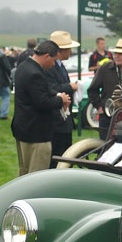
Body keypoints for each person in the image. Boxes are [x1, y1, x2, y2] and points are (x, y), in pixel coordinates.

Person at [12, 40, 71, 176]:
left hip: (23, 129)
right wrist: (60, 100)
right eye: (54, 60)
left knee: (24, 172)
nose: (53, 65)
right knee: (36, 175)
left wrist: (56, 94)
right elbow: (42, 103)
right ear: (46, 56)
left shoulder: (24, 66)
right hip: (37, 133)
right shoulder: (35, 74)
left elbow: (39, 92)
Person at [87, 37, 122, 139]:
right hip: (107, 118)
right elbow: (92, 90)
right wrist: (100, 108)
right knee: (106, 148)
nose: (116, 56)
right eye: (116, 53)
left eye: (120, 53)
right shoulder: (105, 68)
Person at [47, 31, 80, 166]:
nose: (71, 51)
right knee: (58, 158)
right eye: (69, 48)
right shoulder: (51, 66)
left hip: (64, 121)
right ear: (62, 50)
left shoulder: (59, 65)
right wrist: (69, 87)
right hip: (56, 122)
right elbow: (51, 87)